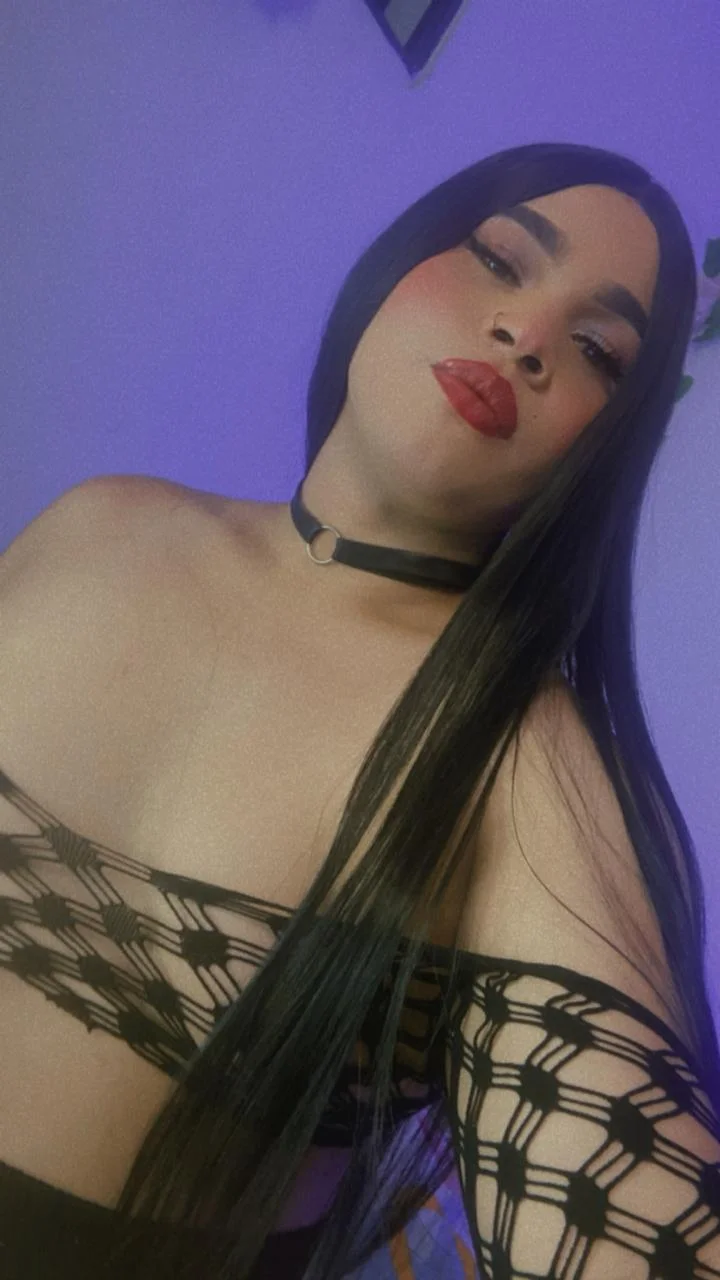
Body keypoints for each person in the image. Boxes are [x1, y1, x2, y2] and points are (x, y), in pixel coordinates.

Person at [1, 140, 719, 1280]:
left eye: (596, 351)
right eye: (501, 258)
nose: (526, 335)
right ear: (396, 265)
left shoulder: (522, 759)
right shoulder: (97, 523)